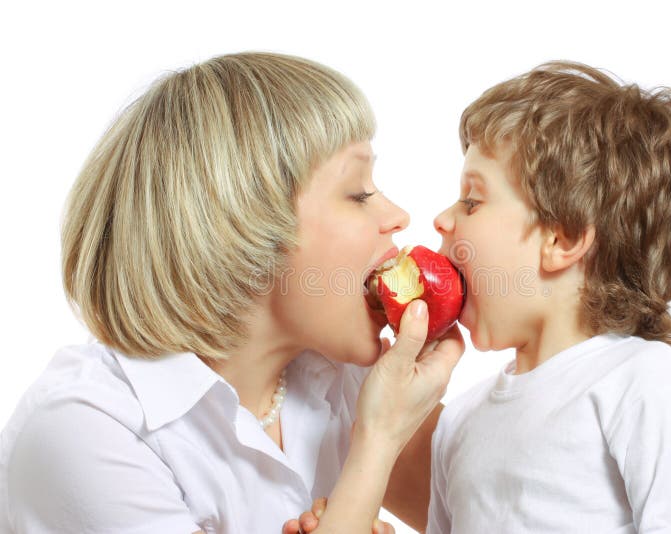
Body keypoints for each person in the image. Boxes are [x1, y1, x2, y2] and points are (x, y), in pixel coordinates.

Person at [286, 62, 671, 534]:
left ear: (563, 238)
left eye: (472, 201)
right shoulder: (463, 423)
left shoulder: (647, 385)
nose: (441, 219)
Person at [0, 51, 463, 533]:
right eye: (358, 194)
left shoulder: (334, 379)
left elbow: (513, 507)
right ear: (245, 226)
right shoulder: (85, 431)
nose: (398, 215)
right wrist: (379, 438)